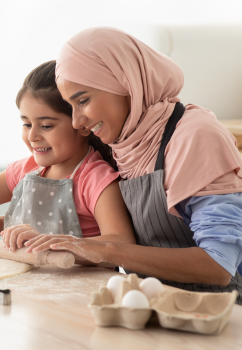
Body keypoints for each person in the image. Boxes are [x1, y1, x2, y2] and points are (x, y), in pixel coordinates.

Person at [24, 27, 242, 303]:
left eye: (83, 100)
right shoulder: (121, 143)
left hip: (220, 315)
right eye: (71, 107)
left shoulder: (196, 136)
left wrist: (107, 250)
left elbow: (218, 266)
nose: (77, 121)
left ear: (125, 82)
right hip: (152, 307)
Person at [0, 61, 135, 257]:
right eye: (27, 124)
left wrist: (53, 244)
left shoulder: (96, 179)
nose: (33, 136)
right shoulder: (27, 169)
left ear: (82, 124)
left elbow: (121, 242)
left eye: (46, 125)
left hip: (80, 292)